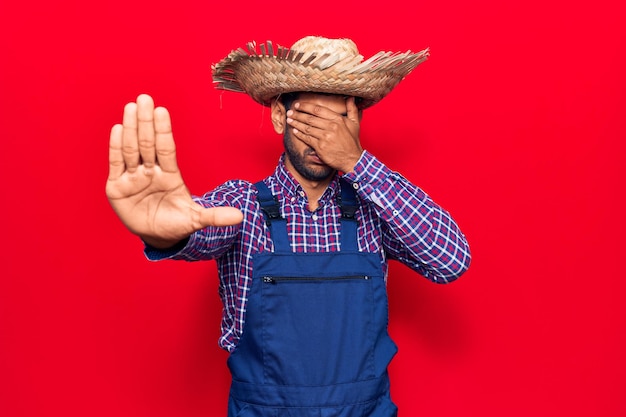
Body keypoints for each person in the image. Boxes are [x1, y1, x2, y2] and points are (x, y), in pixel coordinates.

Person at [106, 36, 471, 417]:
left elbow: (451, 259)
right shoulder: (242, 204)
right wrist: (163, 229)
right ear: (280, 115)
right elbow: (196, 223)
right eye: (311, 120)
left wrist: (358, 162)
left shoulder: (374, 209)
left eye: (341, 122)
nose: (324, 139)